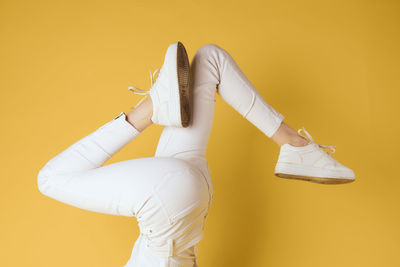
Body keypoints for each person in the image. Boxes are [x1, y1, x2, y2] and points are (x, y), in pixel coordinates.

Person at [37, 41, 355, 267]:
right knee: (50, 179)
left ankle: (296, 146)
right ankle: (151, 109)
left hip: (187, 201)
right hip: (169, 204)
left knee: (209, 61)